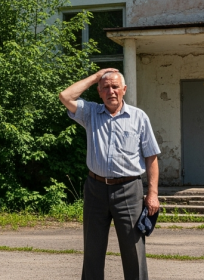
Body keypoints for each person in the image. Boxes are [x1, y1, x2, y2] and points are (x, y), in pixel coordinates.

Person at [59, 68, 160, 280]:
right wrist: (97, 76)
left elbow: (151, 157)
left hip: (128, 189)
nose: (111, 91)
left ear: (124, 90)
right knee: (93, 250)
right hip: (95, 189)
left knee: (134, 249)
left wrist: (152, 194)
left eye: (115, 87)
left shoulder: (139, 117)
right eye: (105, 87)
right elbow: (65, 96)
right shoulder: (90, 113)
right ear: (99, 91)